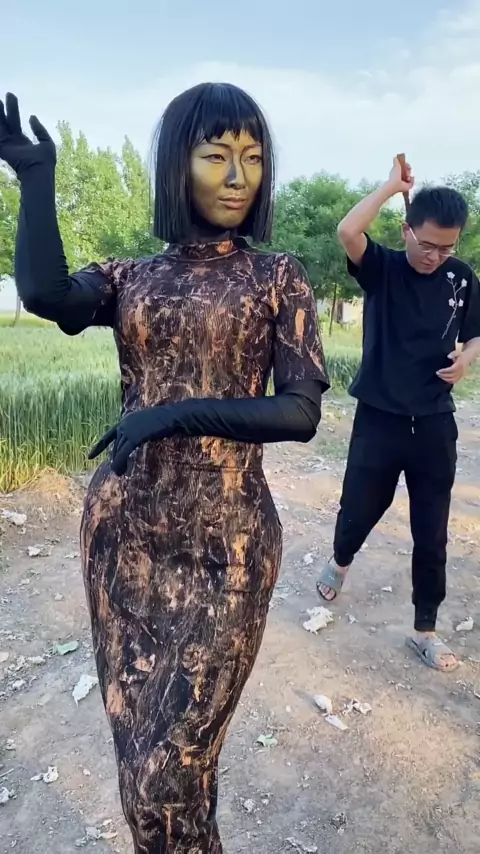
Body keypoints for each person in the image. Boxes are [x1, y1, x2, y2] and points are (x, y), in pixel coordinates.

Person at [0, 85, 329, 853]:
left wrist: (171, 414)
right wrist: (36, 179)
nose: (238, 176)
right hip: (125, 543)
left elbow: (300, 412)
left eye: (252, 157)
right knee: (144, 785)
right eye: (217, 156)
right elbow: (46, 294)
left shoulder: (277, 276)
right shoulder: (131, 277)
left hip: (227, 550)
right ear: (178, 166)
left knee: (168, 774)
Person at [316, 158, 480, 673]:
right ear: (407, 229)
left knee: (432, 530)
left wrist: (467, 360)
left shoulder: (460, 277)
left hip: (433, 421)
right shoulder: (382, 268)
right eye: (427, 244)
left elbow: (476, 333)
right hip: (380, 417)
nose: (435, 256)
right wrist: (391, 187)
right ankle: (340, 560)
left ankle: (425, 629)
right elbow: (348, 230)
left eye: (447, 247)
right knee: (360, 507)